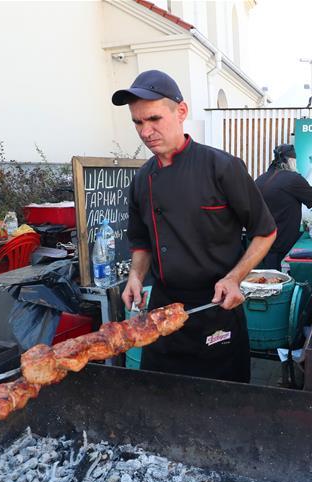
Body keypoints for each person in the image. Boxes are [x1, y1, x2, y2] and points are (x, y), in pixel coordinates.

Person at [113, 70, 277, 383]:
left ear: (181, 112)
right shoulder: (141, 179)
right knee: (161, 397)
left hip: (215, 306)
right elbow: (141, 242)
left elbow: (265, 231)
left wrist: (235, 278)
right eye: (137, 122)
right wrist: (135, 276)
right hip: (162, 310)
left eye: (154, 119)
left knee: (223, 403)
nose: (145, 131)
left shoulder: (222, 167)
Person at [255, 144, 312, 270]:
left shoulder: (261, 179)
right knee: (278, 280)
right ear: (291, 160)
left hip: (259, 243)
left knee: (264, 280)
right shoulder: (293, 179)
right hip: (280, 243)